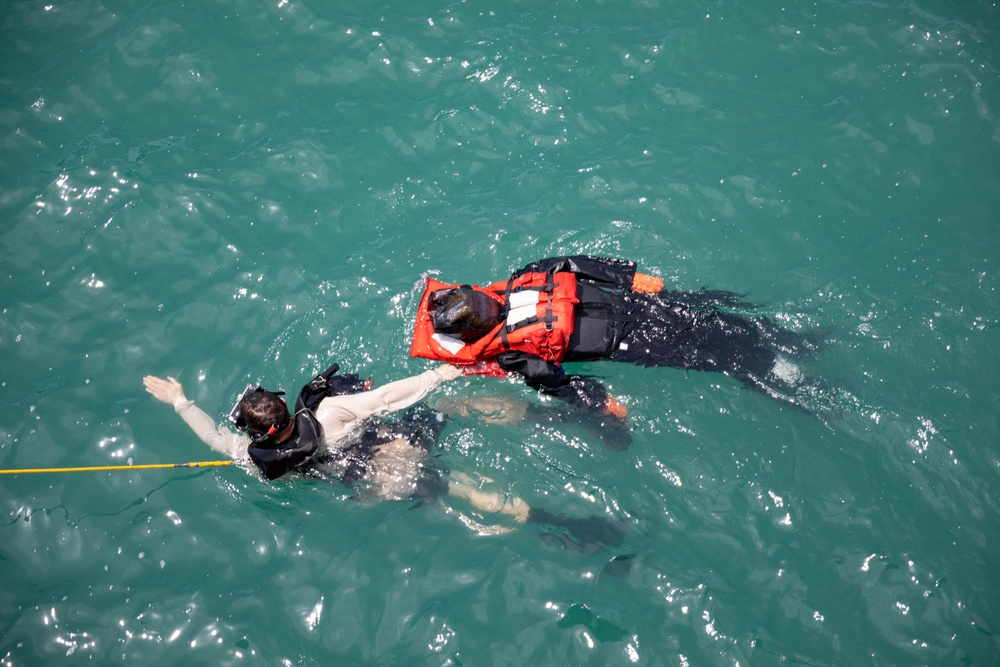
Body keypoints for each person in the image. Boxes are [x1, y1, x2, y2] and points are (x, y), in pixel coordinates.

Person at [143, 363, 627, 553]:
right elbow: (393, 396)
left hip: (373, 488)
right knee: (450, 408)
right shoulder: (330, 411)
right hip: (396, 452)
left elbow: (212, 438)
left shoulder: (253, 458)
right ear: (284, 405)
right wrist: (441, 374)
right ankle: (574, 420)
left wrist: (181, 401)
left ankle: (555, 523)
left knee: (448, 487)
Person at [410, 255, 829, 423]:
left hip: (630, 302)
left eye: (483, 302)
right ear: (475, 332)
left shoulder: (522, 279)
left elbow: (571, 262)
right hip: (630, 341)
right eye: (482, 315)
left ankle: (797, 342)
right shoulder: (510, 352)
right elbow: (550, 380)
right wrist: (598, 402)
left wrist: (628, 277)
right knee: (721, 355)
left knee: (716, 316)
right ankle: (797, 387)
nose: (491, 309)